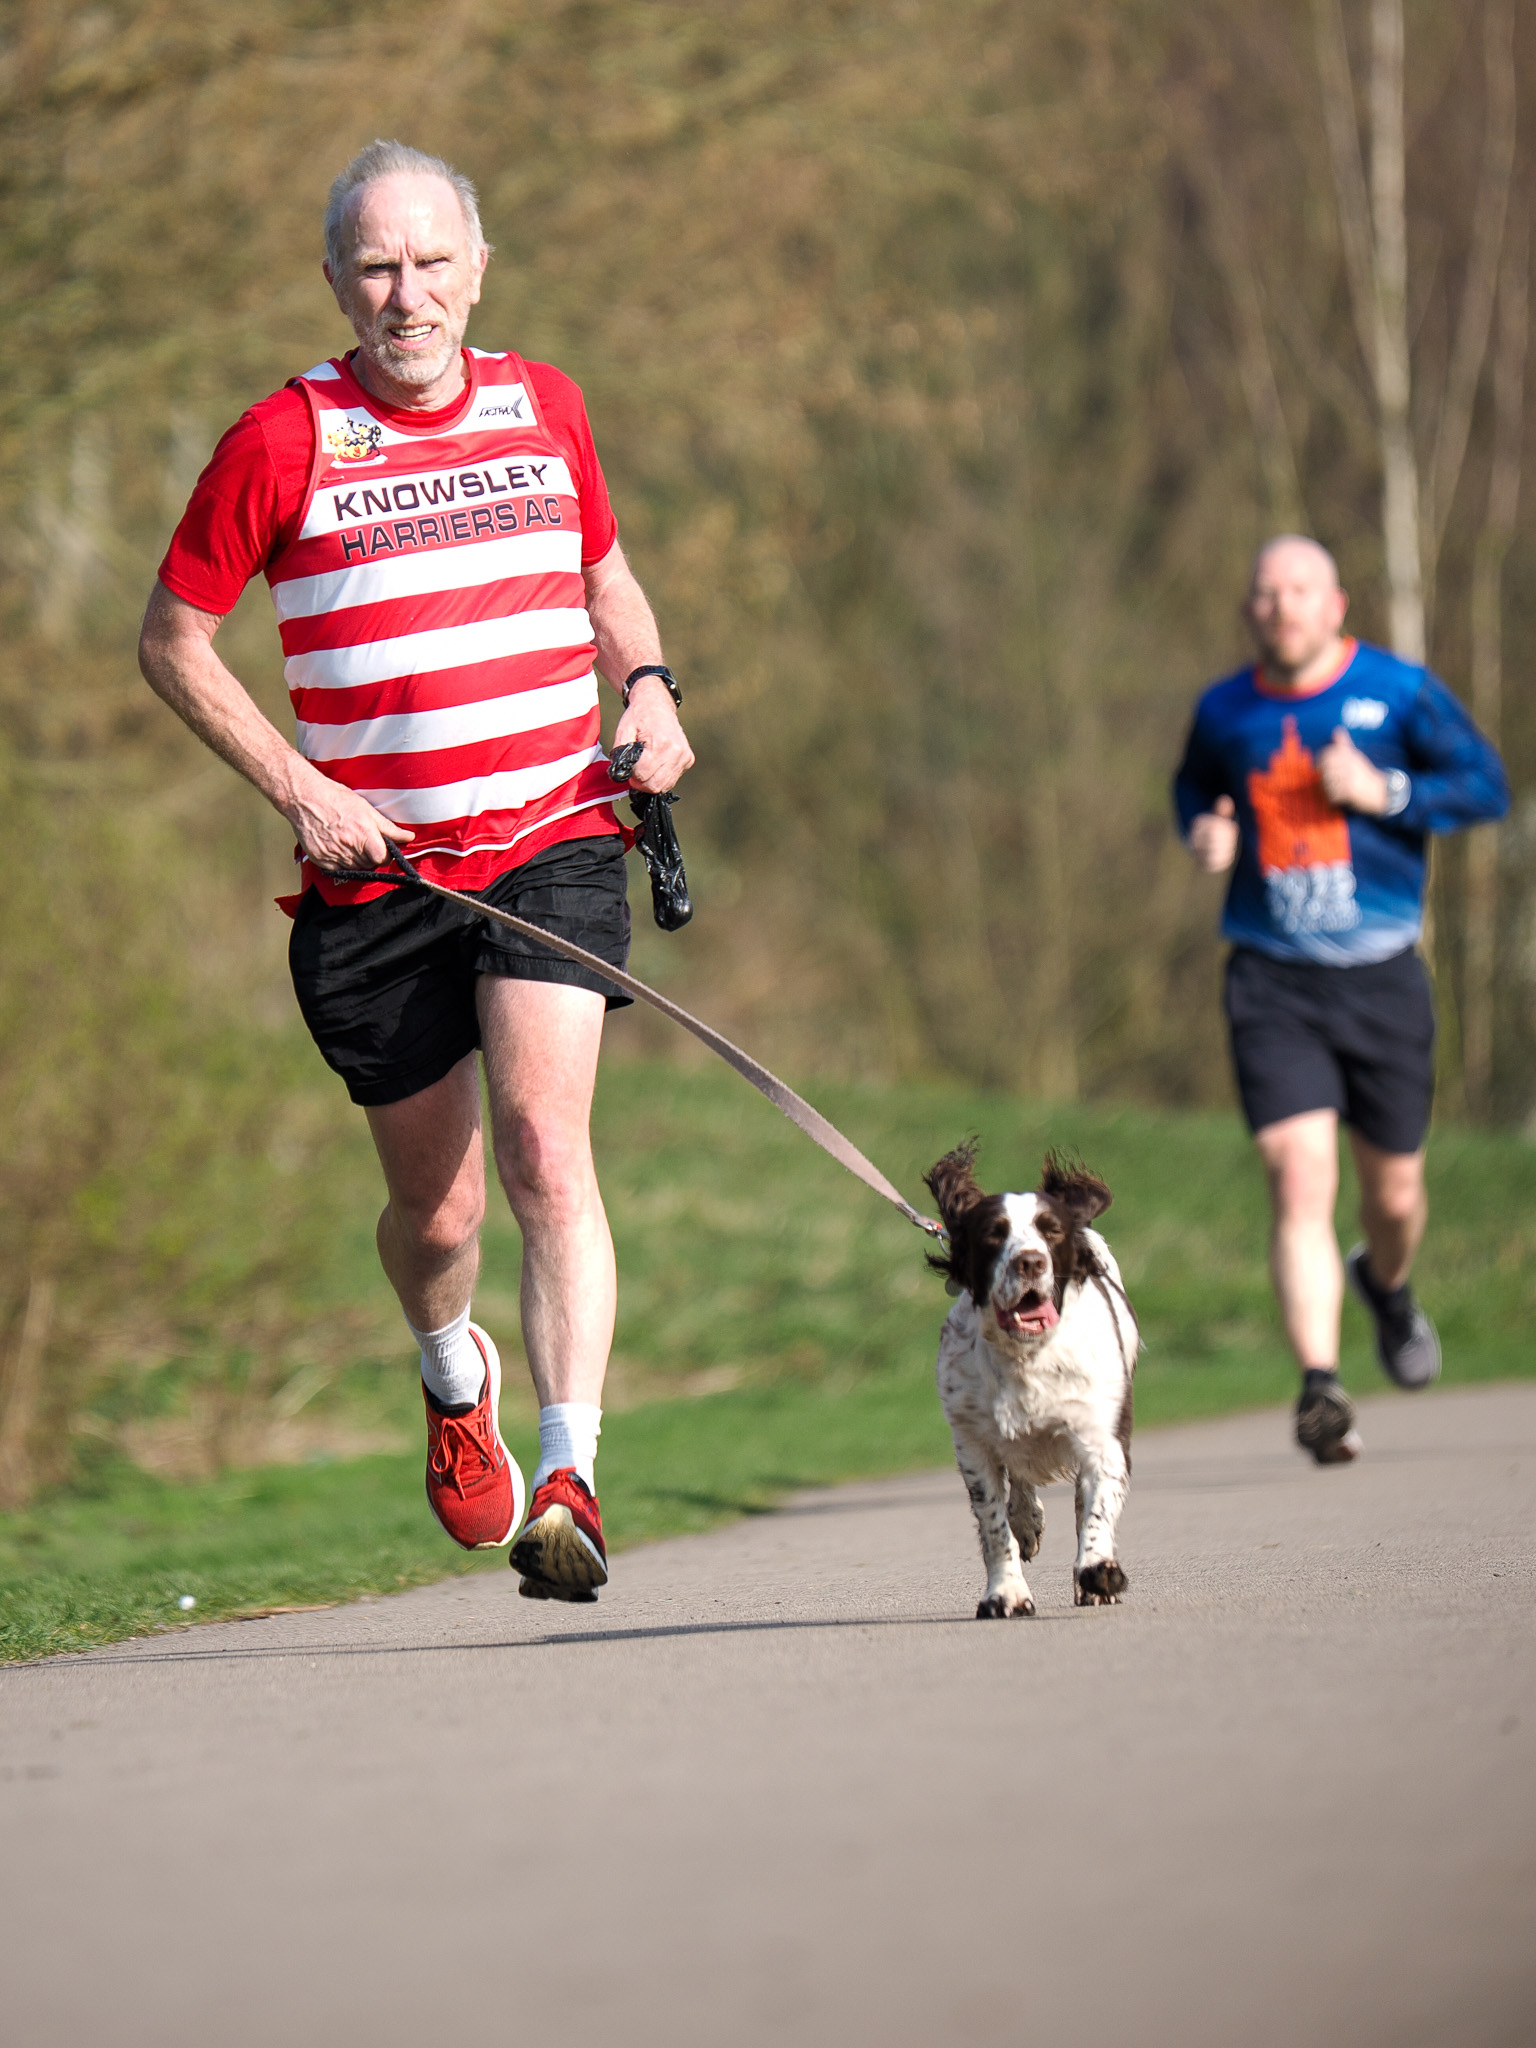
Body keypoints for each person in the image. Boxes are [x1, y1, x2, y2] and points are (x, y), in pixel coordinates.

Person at [139, 140, 694, 1599]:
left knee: (543, 1147)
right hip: (380, 880)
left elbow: (607, 574)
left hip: (553, 837)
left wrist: (650, 692)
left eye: (432, 262)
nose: (408, 295)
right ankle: (455, 1377)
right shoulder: (283, 440)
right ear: (336, 281)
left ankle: (568, 1476)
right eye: (378, 267)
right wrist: (298, 786)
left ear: (478, 268)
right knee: (438, 1215)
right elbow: (172, 641)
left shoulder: (546, 404)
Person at [1173, 535, 1508, 1464]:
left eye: (1299, 589)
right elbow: (1195, 789)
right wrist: (1204, 832)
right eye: (1265, 591)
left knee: (1394, 1195)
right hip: (1271, 978)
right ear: (1250, 612)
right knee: (1297, 1173)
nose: (1281, 605)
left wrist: (1386, 788)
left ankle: (1388, 1289)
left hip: (1383, 978)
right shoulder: (1225, 709)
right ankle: (1321, 1386)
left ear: (1336, 605)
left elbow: (1487, 787)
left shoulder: (1400, 692)